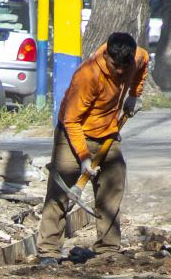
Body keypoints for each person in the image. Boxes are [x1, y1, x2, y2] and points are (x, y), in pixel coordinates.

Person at [37, 32, 148, 265]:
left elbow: (144, 61)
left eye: (123, 67)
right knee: (61, 190)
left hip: (108, 133)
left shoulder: (134, 57)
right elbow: (71, 121)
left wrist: (134, 95)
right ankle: (49, 250)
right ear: (106, 54)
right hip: (73, 135)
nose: (119, 72)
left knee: (112, 186)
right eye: (114, 66)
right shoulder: (88, 75)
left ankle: (108, 249)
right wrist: (85, 157)